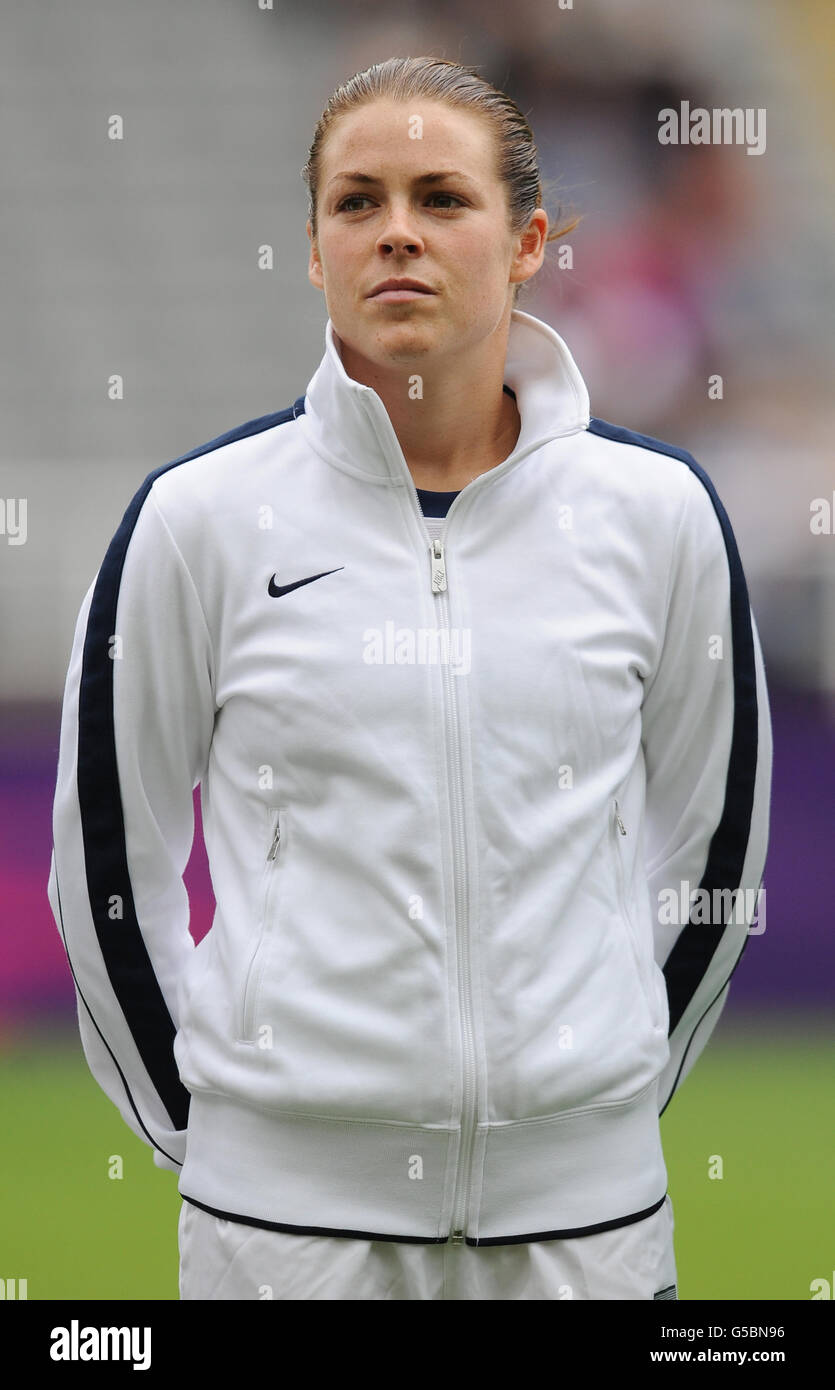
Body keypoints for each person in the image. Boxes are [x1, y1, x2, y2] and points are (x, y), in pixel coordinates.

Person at [47, 55, 772, 1301]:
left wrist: (583, 1107)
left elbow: (711, 859)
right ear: (316, 250)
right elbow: (108, 866)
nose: (398, 235)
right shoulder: (198, 521)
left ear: (529, 238)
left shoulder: (659, 516)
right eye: (357, 202)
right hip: (280, 1239)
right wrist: (232, 1143)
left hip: (586, 1236)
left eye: (442, 198)